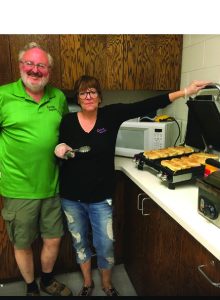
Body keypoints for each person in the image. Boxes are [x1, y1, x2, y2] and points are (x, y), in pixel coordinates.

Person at [54, 75, 211, 296]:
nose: (88, 96)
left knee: (105, 244)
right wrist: (60, 148)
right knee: (79, 242)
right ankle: (88, 282)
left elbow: (148, 104)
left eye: (93, 92)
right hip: (71, 197)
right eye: (83, 92)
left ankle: (107, 284)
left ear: (100, 97)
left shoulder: (111, 115)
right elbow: (60, 143)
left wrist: (185, 91)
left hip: (101, 197)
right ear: (78, 98)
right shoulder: (68, 121)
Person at [0, 42, 72, 296]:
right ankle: (31, 286)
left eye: (41, 65)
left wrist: (66, 145)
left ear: (49, 70)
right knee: (23, 243)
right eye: (29, 64)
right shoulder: (3, 95)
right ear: (20, 66)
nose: (35, 70)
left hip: (52, 186)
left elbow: (64, 131)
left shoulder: (58, 97)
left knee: (53, 239)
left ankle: (47, 280)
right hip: (18, 189)